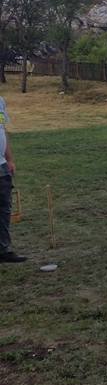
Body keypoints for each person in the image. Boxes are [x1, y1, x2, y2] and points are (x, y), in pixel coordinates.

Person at [0, 96, 24, 263]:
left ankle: (3, 249)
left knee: (4, 209)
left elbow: (2, 129)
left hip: (1, 164)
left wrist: (9, 159)